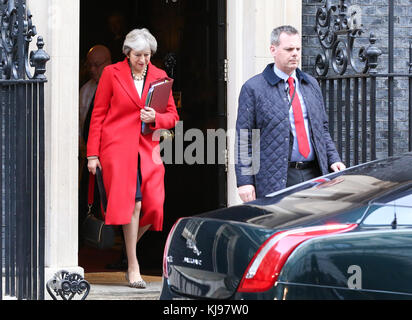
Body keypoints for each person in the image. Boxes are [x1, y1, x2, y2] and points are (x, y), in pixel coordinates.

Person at [86, 28, 179, 288]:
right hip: (116, 147)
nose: (143, 60)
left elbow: (173, 116)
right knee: (133, 204)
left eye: (147, 55)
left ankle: (128, 251)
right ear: (127, 53)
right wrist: (92, 154)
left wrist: (155, 118)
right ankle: (133, 265)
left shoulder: (160, 77)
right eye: (138, 54)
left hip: (147, 148)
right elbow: (98, 114)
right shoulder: (111, 73)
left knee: (154, 204)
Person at [235, 25, 346, 203]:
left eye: (298, 49)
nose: (295, 53)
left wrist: (333, 159)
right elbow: (244, 138)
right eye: (288, 49)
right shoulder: (253, 88)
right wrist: (245, 182)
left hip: (315, 173)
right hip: (277, 177)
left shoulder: (310, 84)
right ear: (273, 50)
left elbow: (322, 129)